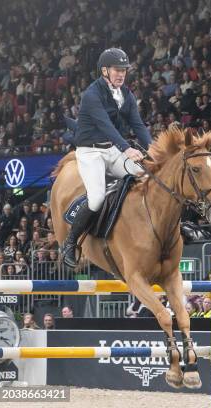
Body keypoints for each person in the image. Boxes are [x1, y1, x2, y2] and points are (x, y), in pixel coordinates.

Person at [62, 48, 152, 268]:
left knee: (144, 176)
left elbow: (138, 125)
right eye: (117, 70)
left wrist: (155, 151)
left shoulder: (127, 95)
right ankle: (71, 242)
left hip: (112, 150)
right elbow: (106, 125)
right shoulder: (91, 95)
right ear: (104, 70)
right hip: (90, 152)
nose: (121, 74)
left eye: (124, 70)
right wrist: (127, 149)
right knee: (97, 198)